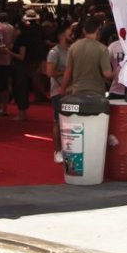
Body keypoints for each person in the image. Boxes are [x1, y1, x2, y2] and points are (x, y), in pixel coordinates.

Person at [46, 21, 75, 163]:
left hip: (71, 91)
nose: (72, 35)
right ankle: (57, 150)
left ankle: (67, 148)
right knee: (58, 121)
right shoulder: (54, 52)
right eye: (69, 32)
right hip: (58, 92)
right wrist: (66, 73)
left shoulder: (71, 50)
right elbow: (49, 72)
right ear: (61, 35)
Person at [62, 16, 112, 97]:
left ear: (84, 30)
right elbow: (107, 74)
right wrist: (117, 72)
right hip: (97, 92)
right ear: (98, 30)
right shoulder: (102, 49)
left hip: (77, 90)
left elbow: (68, 71)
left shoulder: (73, 47)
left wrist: (62, 88)